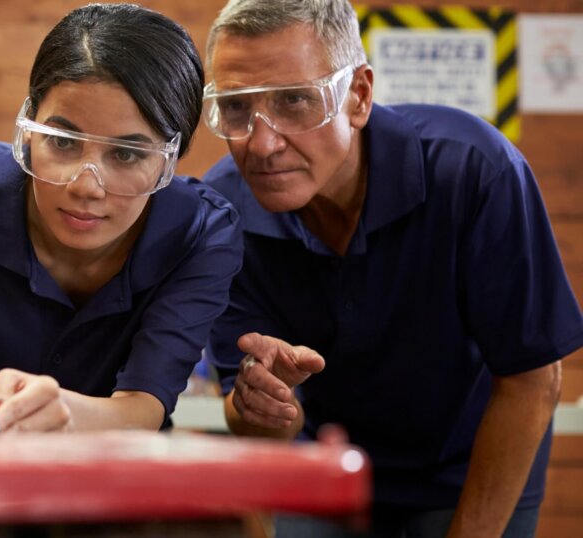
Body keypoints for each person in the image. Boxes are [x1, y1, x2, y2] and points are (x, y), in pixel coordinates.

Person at [200, 0, 583, 536]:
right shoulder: (221, 214)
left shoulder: (474, 172)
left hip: (468, 465)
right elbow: (253, 426)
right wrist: (263, 406)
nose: (261, 143)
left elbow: (532, 380)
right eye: (237, 108)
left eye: (295, 101)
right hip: (322, 468)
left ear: (358, 96)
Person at [0, 4, 243, 435]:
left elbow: (145, 406)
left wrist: (60, 413)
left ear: (170, 160)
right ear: (30, 127)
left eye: (126, 154)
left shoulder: (201, 233)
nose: (86, 186)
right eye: (64, 143)